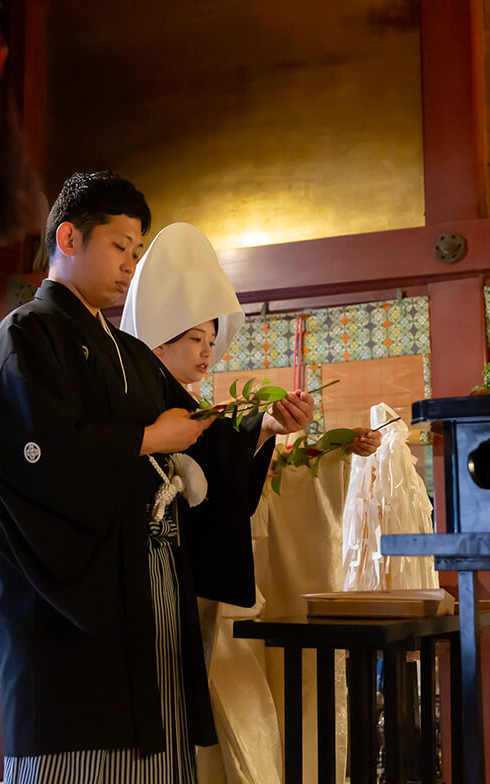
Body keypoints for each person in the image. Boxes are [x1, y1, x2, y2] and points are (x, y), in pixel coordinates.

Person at [0, 172, 313, 781]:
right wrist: (148, 439)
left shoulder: (128, 351)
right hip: (71, 591)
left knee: (158, 742)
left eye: (136, 251)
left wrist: (264, 426)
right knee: (81, 746)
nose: (130, 265)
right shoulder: (27, 333)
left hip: (150, 575)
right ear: (69, 238)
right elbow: (38, 454)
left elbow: (199, 440)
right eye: (119, 246)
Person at [121, 221, 380, 783]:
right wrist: (258, 428)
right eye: (196, 338)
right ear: (160, 336)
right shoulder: (142, 399)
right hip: (153, 581)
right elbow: (212, 452)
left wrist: (283, 437)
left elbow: (223, 460)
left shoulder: (185, 402)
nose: (208, 351)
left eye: (211, 340)